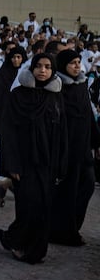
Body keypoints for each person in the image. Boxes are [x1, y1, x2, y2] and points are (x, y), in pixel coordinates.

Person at [0, 53, 67, 263]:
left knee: (44, 206)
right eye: (38, 66)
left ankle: (30, 247)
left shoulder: (55, 97)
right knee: (28, 205)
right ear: (32, 68)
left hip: (47, 163)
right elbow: (8, 132)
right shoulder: (18, 95)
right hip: (24, 161)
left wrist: (61, 164)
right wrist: (12, 165)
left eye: (47, 67)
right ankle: (18, 242)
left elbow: (62, 133)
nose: (43, 71)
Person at [49, 49, 100, 246]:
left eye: (78, 62)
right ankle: (63, 232)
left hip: (83, 147)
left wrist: (96, 142)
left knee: (87, 185)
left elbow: (88, 114)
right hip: (65, 150)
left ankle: (72, 227)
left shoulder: (80, 85)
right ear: (63, 65)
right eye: (72, 63)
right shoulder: (57, 87)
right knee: (66, 192)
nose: (77, 66)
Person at [0, 45, 26, 206]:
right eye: (14, 57)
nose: (16, 60)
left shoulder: (24, 74)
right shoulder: (2, 74)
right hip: (3, 114)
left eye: (19, 57)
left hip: (18, 117)